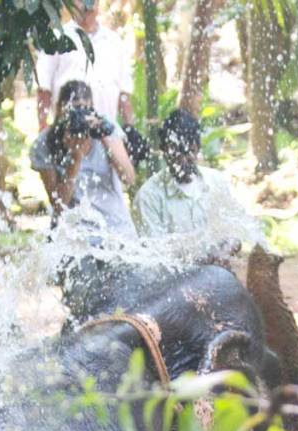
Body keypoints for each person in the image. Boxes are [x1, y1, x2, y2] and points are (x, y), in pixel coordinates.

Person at [133, 108, 253, 259]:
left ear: (197, 148)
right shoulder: (148, 197)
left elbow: (236, 235)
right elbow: (156, 257)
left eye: (188, 152)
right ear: (164, 151)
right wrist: (205, 259)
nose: (182, 160)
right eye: (175, 153)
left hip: (217, 269)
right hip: (177, 275)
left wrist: (225, 250)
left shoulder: (216, 181)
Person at [30, 79, 136, 240]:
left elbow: (129, 178)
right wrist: (76, 157)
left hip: (115, 228)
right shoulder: (45, 143)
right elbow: (59, 206)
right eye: (73, 110)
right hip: (74, 232)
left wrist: (103, 136)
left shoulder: (107, 128)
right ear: (59, 110)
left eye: (84, 109)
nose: (78, 116)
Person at [36, 1, 134, 131]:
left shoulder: (114, 42)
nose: (87, 4)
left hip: (107, 132)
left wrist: (130, 128)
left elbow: (124, 94)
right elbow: (44, 89)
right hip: (68, 133)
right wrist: (43, 127)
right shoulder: (57, 38)